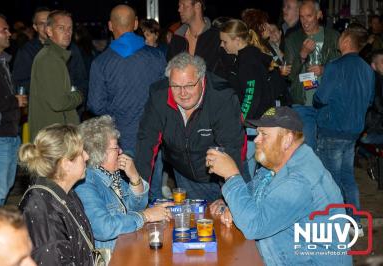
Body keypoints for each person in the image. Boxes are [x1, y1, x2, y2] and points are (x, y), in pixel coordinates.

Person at [207, 106, 352, 266]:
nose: (256, 140)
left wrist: (232, 175)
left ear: (287, 140)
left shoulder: (300, 180)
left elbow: (254, 225)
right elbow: (251, 196)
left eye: (264, 135)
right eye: (258, 133)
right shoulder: (273, 166)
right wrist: (230, 204)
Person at [135, 52, 245, 202]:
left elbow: (233, 148)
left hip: (223, 172)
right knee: (195, 221)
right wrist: (138, 193)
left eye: (189, 85)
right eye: (176, 86)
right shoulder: (159, 96)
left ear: (202, 80)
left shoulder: (221, 98)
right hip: (184, 171)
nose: (182, 93)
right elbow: (146, 143)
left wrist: (227, 197)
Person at [75, 115, 172, 250]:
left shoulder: (113, 176)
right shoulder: (85, 183)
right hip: (110, 258)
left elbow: (136, 209)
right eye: (116, 148)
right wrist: (146, 216)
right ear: (99, 152)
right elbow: (103, 228)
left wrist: (134, 178)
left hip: (127, 248)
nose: (121, 151)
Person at [314, 24, 374, 234]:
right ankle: (355, 221)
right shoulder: (368, 69)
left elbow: (321, 97)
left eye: (341, 37)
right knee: (347, 177)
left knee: (330, 180)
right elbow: (369, 101)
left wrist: (317, 92)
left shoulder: (335, 66)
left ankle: (336, 224)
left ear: (347, 41)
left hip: (332, 129)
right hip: (353, 132)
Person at [88, 4, 165, 153]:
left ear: (110, 26)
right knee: (150, 176)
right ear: (136, 24)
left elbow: (95, 105)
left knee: (121, 176)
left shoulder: (100, 62)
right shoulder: (157, 56)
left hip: (118, 138)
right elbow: (164, 95)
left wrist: (117, 113)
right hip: (152, 135)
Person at [18, 124, 93, 265]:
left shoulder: (65, 193)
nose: (87, 156)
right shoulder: (44, 213)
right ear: (66, 164)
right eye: (81, 152)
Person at [219, 19, 274, 179]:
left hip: (254, 122)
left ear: (237, 41)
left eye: (225, 41)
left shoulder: (247, 62)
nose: (222, 45)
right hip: (259, 119)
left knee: (247, 167)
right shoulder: (248, 56)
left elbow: (251, 93)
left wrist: (242, 118)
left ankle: (247, 199)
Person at [0, 13, 27, 205]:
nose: (9, 33)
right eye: (4, 29)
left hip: (9, 134)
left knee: (4, 188)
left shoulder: (1, 61)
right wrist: (13, 101)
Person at [284, 0, 340, 150]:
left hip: (328, 103)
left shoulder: (333, 37)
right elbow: (289, 76)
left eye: (309, 16)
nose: (305, 21)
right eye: (301, 17)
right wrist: (302, 54)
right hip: (302, 103)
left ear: (319, 15)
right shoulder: (292, 39)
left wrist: (324, 69)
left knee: (327, 150)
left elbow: (342, 69)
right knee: (308, 149)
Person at [28, 10, 83, 141]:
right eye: (61, 28)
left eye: (70, 28)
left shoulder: (54, 56)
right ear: (49, 31)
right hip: (54, 139)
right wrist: (78, 96)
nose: (67, 32)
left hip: (53, 136)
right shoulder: (49, 58)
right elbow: (58, 103)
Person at [12, 7, 88, 98]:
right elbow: (20, 83)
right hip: (42, 107)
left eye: (49, 22)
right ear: (35, 27)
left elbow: (81, 79)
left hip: (71, 106)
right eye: (41, 24)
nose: (46, 27)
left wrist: (77, 101)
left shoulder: (72, 48)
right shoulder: (27, 51)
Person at [167, 0, 222, 74]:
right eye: (179, 6)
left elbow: (224, 75)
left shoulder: (217, 37)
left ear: (197, 6)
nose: (179, 9)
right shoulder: (177, 39)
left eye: (183, 5)